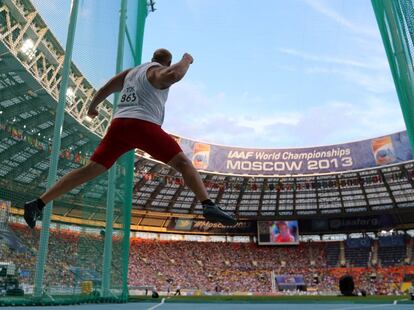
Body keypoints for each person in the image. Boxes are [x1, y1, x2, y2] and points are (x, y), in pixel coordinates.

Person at [23, 49, 237, 228]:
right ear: (166, 62)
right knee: (183, 163)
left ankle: (39, 203)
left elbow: (107, 88)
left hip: (118, 127)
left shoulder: (131, 73)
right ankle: (208, 204)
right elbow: (174, 75)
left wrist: (92, 107)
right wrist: (187, 60)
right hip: (143, 125)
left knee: (90, 169)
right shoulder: (157, 72)